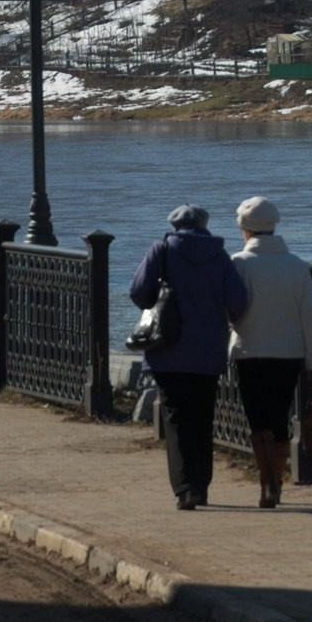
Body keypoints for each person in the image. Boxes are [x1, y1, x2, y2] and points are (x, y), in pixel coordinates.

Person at [127, 203, 251, 511]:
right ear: (204, 225)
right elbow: (238, 300)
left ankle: (186, 488)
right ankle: (201, 485)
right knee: (202, 417)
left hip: (167, 348)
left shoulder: (161, 250)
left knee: (176, 417)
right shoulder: (219, 256)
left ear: (174, 225)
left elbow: (138, 291)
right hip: (208, 351)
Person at [229, 196, 312, 508]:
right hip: (289, 354)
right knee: (280, 416)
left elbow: (229, 309)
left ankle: (266, 479)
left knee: (258, 419)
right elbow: (310, 318)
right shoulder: (297, 266)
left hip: (249, 351)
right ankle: (277, 479)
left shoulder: (238, 264)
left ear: (245, 229)